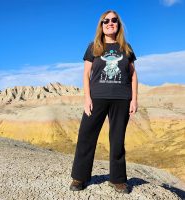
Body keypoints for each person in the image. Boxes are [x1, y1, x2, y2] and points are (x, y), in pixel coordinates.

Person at [69, 10, 138, 194]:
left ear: (118, 24)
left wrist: (134, 100)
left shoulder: (126, 48)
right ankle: (80, 178)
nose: (110, 23)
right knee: (86, 136)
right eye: (105, 20)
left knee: (117, 140)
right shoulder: (94, 47)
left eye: (114, 20)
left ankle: (118, 180)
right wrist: (87, 98)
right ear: (101, 25)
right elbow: (86, 75)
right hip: (97, 97)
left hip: (121, 99)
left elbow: (133, 76)